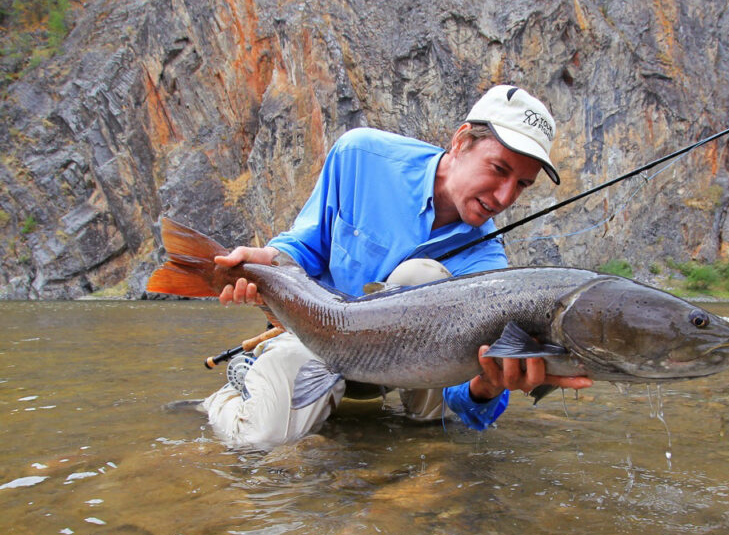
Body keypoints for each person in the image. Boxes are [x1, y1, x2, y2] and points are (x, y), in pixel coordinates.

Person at [200, 85, 593, 449]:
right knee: (260, 439)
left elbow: (463, 398)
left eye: (522, 184)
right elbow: (304, 247)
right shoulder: (361, 157)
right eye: (499, 169)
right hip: (316, 342)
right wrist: (268, 262)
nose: (505, 196)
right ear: (460, 143)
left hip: (405, 373)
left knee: (421, 283)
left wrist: (486, 389)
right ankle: (231, 394)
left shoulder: (488, 265)